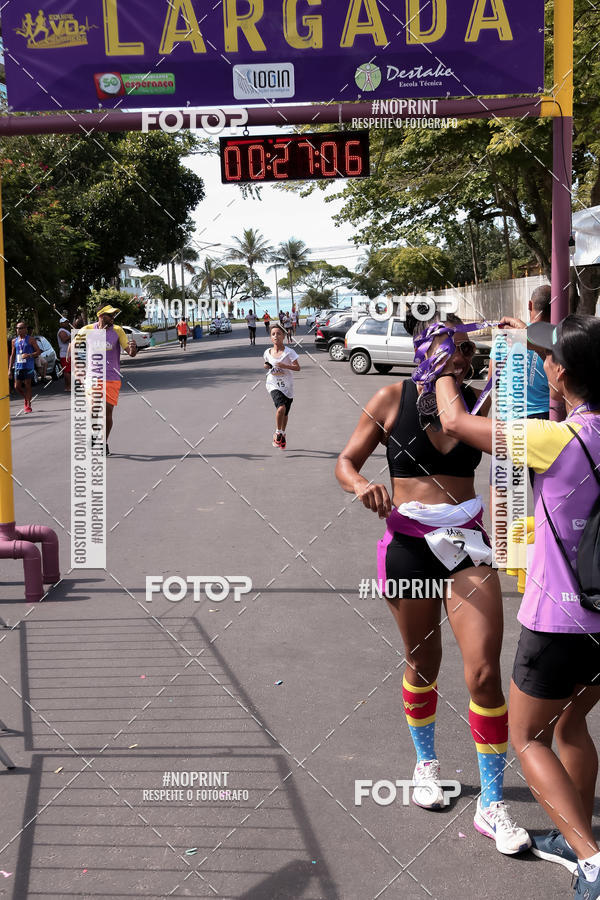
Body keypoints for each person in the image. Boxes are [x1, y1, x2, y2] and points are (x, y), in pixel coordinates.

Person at [335, 312, 531, 855]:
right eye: (455, 348)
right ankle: (427, 765)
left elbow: (515, 439)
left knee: (486, 672)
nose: (464, 358)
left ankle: (492, 805)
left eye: (469, 350)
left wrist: (520, 344)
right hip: (409, 547)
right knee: (423, 662)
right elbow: (346, 461)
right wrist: (360, 485)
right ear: (427, 349)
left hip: (468, 547)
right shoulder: (390, 401)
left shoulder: (479, 401)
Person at [433, 314, 600, 895]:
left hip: (558, 619)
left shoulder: (554, 439)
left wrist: (441, 364)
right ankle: (579, 839)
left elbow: (454, 421)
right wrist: (530, 338)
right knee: (575, 723)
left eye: (549, 360)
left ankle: (593, 858)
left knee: (528, 737)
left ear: (558, 374)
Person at [76, 305, 137, 455]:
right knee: (94, 411)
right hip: (93, 377)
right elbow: (76, 347)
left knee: (107, 413)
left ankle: (104, 442)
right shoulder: (87, 330)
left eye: (114, 314)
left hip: (112, 377)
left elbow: (130, 353)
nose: (113, 317)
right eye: (110, 315)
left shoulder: (117, 330)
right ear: (101, 315)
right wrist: (78, 369)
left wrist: (133, 348)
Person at [263, 321, 300, 450]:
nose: (275, 336)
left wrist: (285, 366)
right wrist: (266, 366)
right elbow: (266, 363)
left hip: (288, 386)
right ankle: (278, 432)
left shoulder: (290, 352)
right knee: (281, 408)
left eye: (278, 334)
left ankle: (283, 434)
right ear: (270, 337)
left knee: (285, 413)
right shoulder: (267, 352)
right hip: (273, 384)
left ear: (283, 336)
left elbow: (297, 367)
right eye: (273, 334)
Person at [8, 323, 40, 412]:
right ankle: (26, 398)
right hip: (18, 366)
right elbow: (13, 355)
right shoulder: (14, 341)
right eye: (17, 328)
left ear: (25, 329)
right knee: (17, 386)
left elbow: (38, 351)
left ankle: (28, 405)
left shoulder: (31, 339)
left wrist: (29, 355)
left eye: (21, 328)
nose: (19, 330)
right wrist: (9, 369)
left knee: (27, 385)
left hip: (28, 366)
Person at [57, 317, 71, 392]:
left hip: (68, 353)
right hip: (65, 354)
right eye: (64, 322)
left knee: (68, 370)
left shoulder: (66, 330)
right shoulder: (61, 331)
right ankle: (69, 386)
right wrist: (73, 336)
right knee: (67, 371)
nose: (66, 323)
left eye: (67, 322)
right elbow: (64, 340)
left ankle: (67, 387)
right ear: (61, 324)